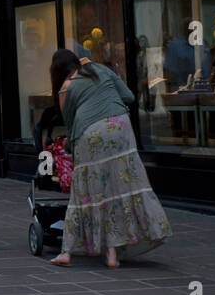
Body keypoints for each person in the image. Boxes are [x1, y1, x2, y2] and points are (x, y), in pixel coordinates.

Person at [47, 50, 170, 267]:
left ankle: (66, 252)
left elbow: (71, 123)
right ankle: (113, 254)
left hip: (90, 134)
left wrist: (71, 148)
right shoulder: (100, 69)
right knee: (120, 188)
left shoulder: (66, 86)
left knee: (87, 193)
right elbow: (129, 97)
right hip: (120, 127)